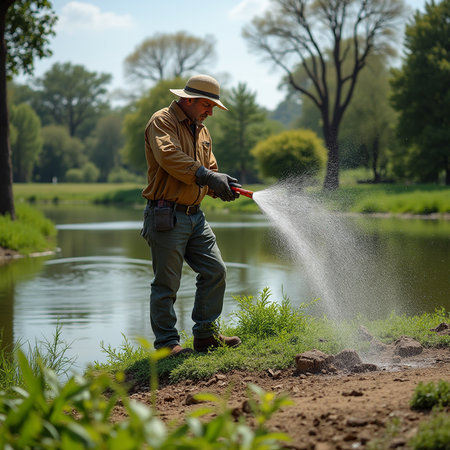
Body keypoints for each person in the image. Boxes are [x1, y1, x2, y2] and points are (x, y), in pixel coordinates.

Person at [141, 74, 242, 357]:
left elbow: (208, 170)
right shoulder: (162, 121)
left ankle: (206, 336)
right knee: (167, 284)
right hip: (166, 214)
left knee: (215, 270)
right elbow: (169, 157)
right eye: (207, 106)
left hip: (196, 217)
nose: (210, 112)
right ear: (188, 100)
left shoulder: (203, 130)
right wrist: (206, 175)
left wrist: (222, 185)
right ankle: (167, 345)